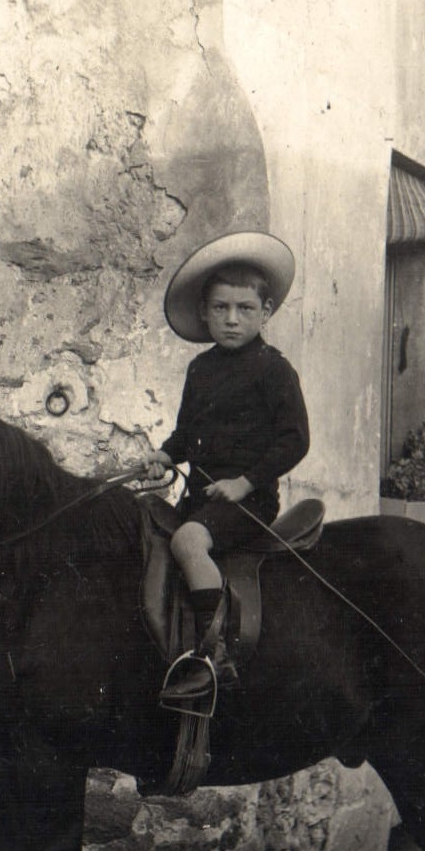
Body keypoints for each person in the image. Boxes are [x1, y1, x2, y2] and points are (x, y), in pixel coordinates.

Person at [147, 232, 309, 701]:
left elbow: (294, 440)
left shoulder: (273, 370)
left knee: (189, 540)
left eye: (244, 308)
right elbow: (186, 433)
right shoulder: (201, 370)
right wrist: (164, 454)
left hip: (248, 501)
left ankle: (214, 652)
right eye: (220, 308)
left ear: (266, 311)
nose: (232, 320)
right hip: (200, 497)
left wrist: (245, 482)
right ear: (204, 312)